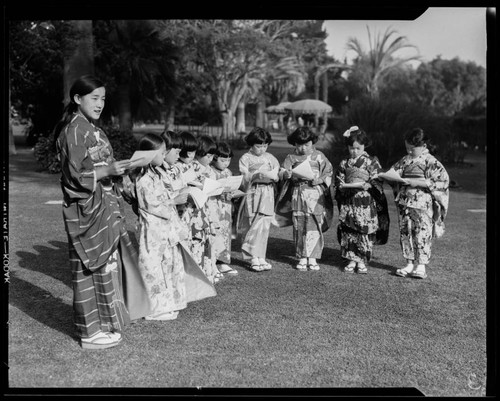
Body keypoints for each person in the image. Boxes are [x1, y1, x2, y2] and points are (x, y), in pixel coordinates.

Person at [55, 75, 150, 350]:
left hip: (106, 205)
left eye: (103, 99)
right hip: (87, 209)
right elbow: (74, 177)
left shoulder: (93, 129)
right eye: (94, 98)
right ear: (77, 99)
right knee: (88, 268)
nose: (100, 104)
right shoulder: (73, 130)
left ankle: (105, 323)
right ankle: (89, 332)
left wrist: (118, 169)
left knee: (106, 266)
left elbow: (103, 164)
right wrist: (108, 170)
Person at [134, 132, 216, 321]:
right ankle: (154, 308)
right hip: (153, 230)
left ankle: (169, 302)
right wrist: (174, 199)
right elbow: (151, 204)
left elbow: (165, 195)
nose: (165, 156)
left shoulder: (156, 174)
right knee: (153, 267)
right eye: (162, 153)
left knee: (170, 264)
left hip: (166, 229)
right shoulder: (144, 178)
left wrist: (179, 194)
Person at [381, 128, 449, 279]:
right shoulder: (405, 160)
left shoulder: (431, 162)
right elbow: (394, 171)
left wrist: (417, 181)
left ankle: (421, 265)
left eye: (412, 149)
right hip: (405, 201)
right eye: (407, 148)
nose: (409, 151)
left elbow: (441, 181)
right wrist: (388, 176)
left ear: (424, 146)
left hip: (422, 203)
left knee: (422, 232)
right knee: (406, 232)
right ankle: (409, 262)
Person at [275, 127, 334, 271]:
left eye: (306, 145)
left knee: (314, 225)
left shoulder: (319, 156)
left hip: (315, 194)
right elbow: (282, 171)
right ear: (294, 144)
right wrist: (286, 174)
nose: (303, 148)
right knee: (299, 225)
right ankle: (302, 256)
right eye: (299, 145)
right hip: (298, 194)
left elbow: (329, 171)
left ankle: (313, 257)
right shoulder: (291, 158)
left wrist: (320, 180)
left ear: (312, 142)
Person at [333, 126, 390, 274]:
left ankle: (362, 259)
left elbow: (377, 179)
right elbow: (338, 179)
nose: (354, 151)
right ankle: (351, 259)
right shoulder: (344, 163)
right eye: (351, 148)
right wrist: (342, 185)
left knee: (364, 229)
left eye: (358, 148)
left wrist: (369, 184)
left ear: (364, 146)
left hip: (365, 200)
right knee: (349, 229)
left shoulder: (371, 162)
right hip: (348, 200)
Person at [236, 127, 280, 272]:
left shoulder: (270, 158)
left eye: (265, 146)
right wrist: (254, 176)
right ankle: (252, 256)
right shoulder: (245, 158)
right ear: (251, 144)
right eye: (258, 146)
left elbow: (277, 172)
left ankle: (261, 255)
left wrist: (279, 174)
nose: (262, 149)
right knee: (253, 222)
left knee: (264, 224)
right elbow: (243, 177)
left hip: (267, 193)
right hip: (253, 193)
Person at [189, 135, 221, 284]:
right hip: (197, 209)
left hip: (210, 207)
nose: (210, 158)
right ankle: (198, 273)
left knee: (210, 239)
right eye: (208, 155)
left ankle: (210, 269)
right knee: (197, 240)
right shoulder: (193, 167)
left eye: (212, 156)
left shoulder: (210, 169)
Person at [210, 141, 238, 276]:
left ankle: (223, 261)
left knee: (226, 233)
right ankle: (212, 261)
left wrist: (233, 192)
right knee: (215, 232)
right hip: (214, 207)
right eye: (222, 160)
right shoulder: (210, 171)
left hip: (226, 207)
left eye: (228, 160)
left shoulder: (228, 172)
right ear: (214, 158)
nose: (226, 163)